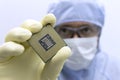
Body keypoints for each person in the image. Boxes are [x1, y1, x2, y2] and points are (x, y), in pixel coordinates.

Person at [47, 0, 120, 80]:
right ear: (53, 33)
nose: (75, 39)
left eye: (85, 30)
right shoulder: (41, 71)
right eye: (65, 30)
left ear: (98, 33)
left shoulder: (115, 71)